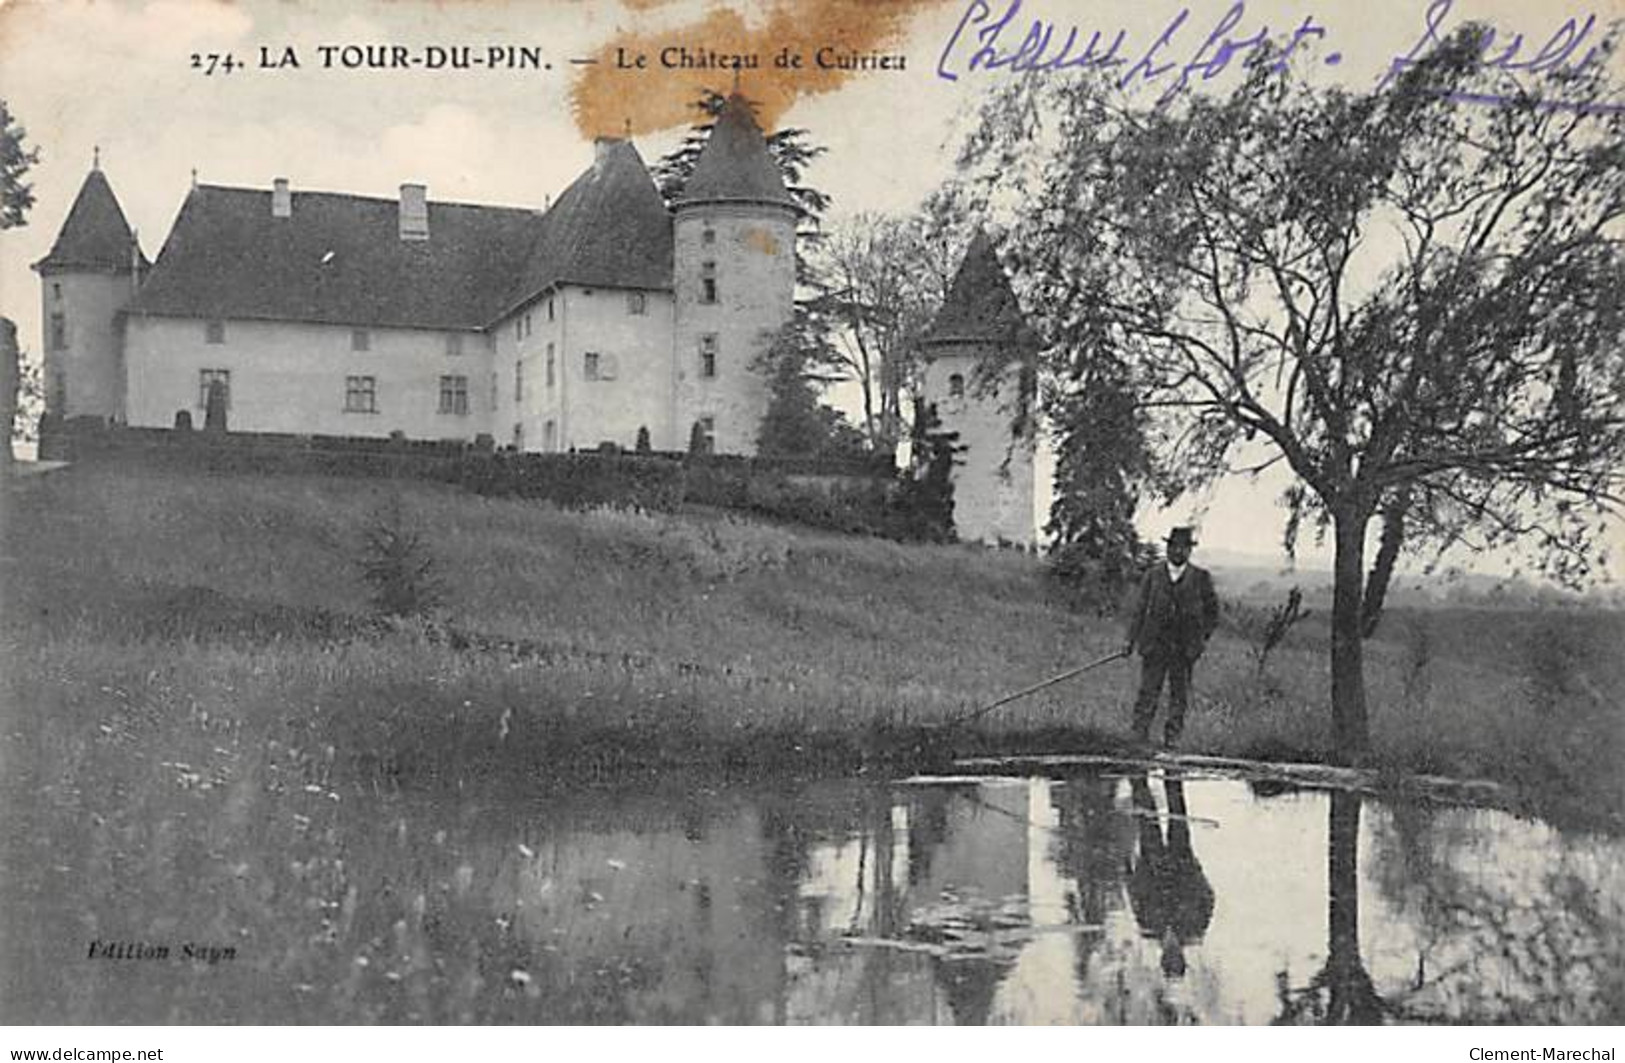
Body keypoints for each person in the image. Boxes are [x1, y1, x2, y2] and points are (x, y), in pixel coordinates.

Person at [1122, 527, 1219, 750]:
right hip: (1155, 645)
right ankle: (1139, 736)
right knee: (1148, 691)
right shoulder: (1153, 575)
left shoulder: (1200, 578)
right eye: (1173, 547)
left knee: (1179, 695)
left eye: (1183, 548)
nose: (1177, 552)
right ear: (1167, 548)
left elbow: (1212, 613)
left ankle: (1172, 740)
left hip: (1184, 649)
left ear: (1189, 551)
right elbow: (1140, 610)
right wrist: (1130, 640)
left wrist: (1200, 639)